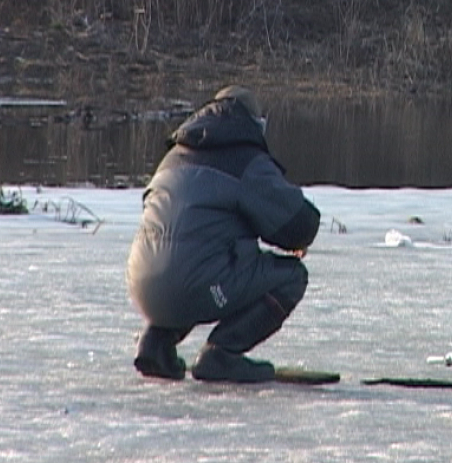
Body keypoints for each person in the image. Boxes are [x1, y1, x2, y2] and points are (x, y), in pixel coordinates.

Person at [126, 85, 321, 383]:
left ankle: (156, 343)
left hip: (142, 287)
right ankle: (222, 354)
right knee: (291, 276)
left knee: (190, 256)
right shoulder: (246, 160)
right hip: (199, 286)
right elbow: (301, 223)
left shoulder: (171, 158)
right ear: (254, 124)